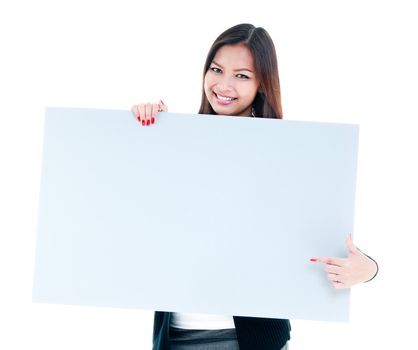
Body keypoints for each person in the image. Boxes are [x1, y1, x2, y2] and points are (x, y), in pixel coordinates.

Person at [131, 23, 379, 350]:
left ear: (262, 84)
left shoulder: (285, 155)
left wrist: (369, 269)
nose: (224, 84)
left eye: (242, 75)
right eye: (216, 70)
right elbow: (138, 216)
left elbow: (319, 238)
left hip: (252, 340)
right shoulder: (176, 143)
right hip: (176, 337)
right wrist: (147, 132)